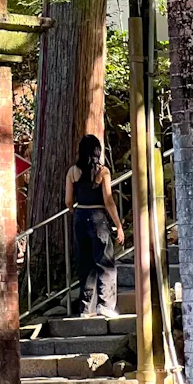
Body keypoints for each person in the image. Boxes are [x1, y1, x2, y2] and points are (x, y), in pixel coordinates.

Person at [65, 133, 124, 317]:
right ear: (97, 151)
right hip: (98, 217)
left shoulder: (72, 172)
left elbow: (68, 200)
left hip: (80, 216)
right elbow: (108, 201)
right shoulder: (102, 172)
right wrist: (119, 225)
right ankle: (105, 305)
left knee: (85, 263)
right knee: (104, 261)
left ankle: (86, 308)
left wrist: (73, 210)